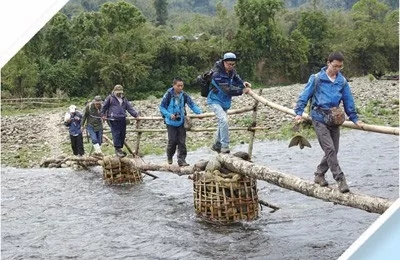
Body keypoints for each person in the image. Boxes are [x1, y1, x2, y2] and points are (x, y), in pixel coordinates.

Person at [294, 51, 363, 193]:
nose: (337, 69)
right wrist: (298, 113)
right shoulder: (317, 78)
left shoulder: (342, 82)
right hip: (319, 118)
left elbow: (348, 100)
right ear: (328, 63)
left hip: (334, 119)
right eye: (335, 66)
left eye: (340, 67)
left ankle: (319, 174)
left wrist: (355, 119)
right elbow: (304, 95)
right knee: (330, 149)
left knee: (334, 150)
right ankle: (340, 179)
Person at [207, 52, 252, 154]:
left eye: (233, 64)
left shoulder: (232, 71)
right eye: (229, 64)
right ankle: (225, 146)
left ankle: (217, 145)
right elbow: (227, 90)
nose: (231, 66)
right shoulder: (217, 74)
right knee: (224, 120)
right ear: (224, 62)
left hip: (225, 101)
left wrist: (243, 84)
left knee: (222, 123)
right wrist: (241, 91)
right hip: (214, 100)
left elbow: (237, 79)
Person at [160, 77, 202, 166]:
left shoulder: (184, 95)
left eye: (182, 86)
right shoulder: (168, 94)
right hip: (170, 122)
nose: (180, 88)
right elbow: (162, 107)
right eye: (178, 86)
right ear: (173, 85)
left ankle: (181, 160)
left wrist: (199, 113)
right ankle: (169, 156)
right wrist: (169, 115)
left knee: (182, 142)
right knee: (172, 141)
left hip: (181, 121)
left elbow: (191, 104)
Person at [101, 84, 139, 157]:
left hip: (122, 118)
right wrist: (103, 115)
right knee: (116, 134)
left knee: (122, 134)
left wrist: (136, 115)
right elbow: (104, 107)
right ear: (114, 91)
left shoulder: (124, 99)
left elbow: (129, 107)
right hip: (113, 118)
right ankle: (118, 150)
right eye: (117, 92)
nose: (119, 93)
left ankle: (120, 149)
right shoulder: (110, 98)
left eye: (120, 92)